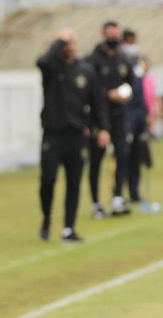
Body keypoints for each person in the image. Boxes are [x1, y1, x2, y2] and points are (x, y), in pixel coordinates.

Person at [36, 27, 110, 243]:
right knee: (48, 180)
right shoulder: (51, 69)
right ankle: (47, 218)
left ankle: (69, 228)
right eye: (65, 44)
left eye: (71, 43)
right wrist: (58, 39)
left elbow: (98, 104)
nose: (69, 47)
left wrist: (104, 128)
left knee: (74, 182)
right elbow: (43, 62)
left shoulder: (85, 71)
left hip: (77, 136)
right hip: (53, 135)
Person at [86, 20, 134, 217]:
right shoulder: (93, 60)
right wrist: (108, 94)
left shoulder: (123, 59)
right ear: (103, 35)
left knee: (122, 154)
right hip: (98, 117)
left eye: (116, 36)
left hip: (119, 115)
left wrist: (126, 93)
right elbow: (90, 89)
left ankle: (117, 198)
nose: (114, 39)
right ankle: (96, 203)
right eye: (110, 35)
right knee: (96, 158)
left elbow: (131, 83)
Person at [122, 29, 148, 205]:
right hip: (126, 113)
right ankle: (119, 192)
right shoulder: (120, 61)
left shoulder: (138, 62)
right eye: (130, 42)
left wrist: (146, 114)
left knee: (137, 154)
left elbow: (142, 88)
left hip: (139, 112)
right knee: (124, 153)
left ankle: (134, 191)